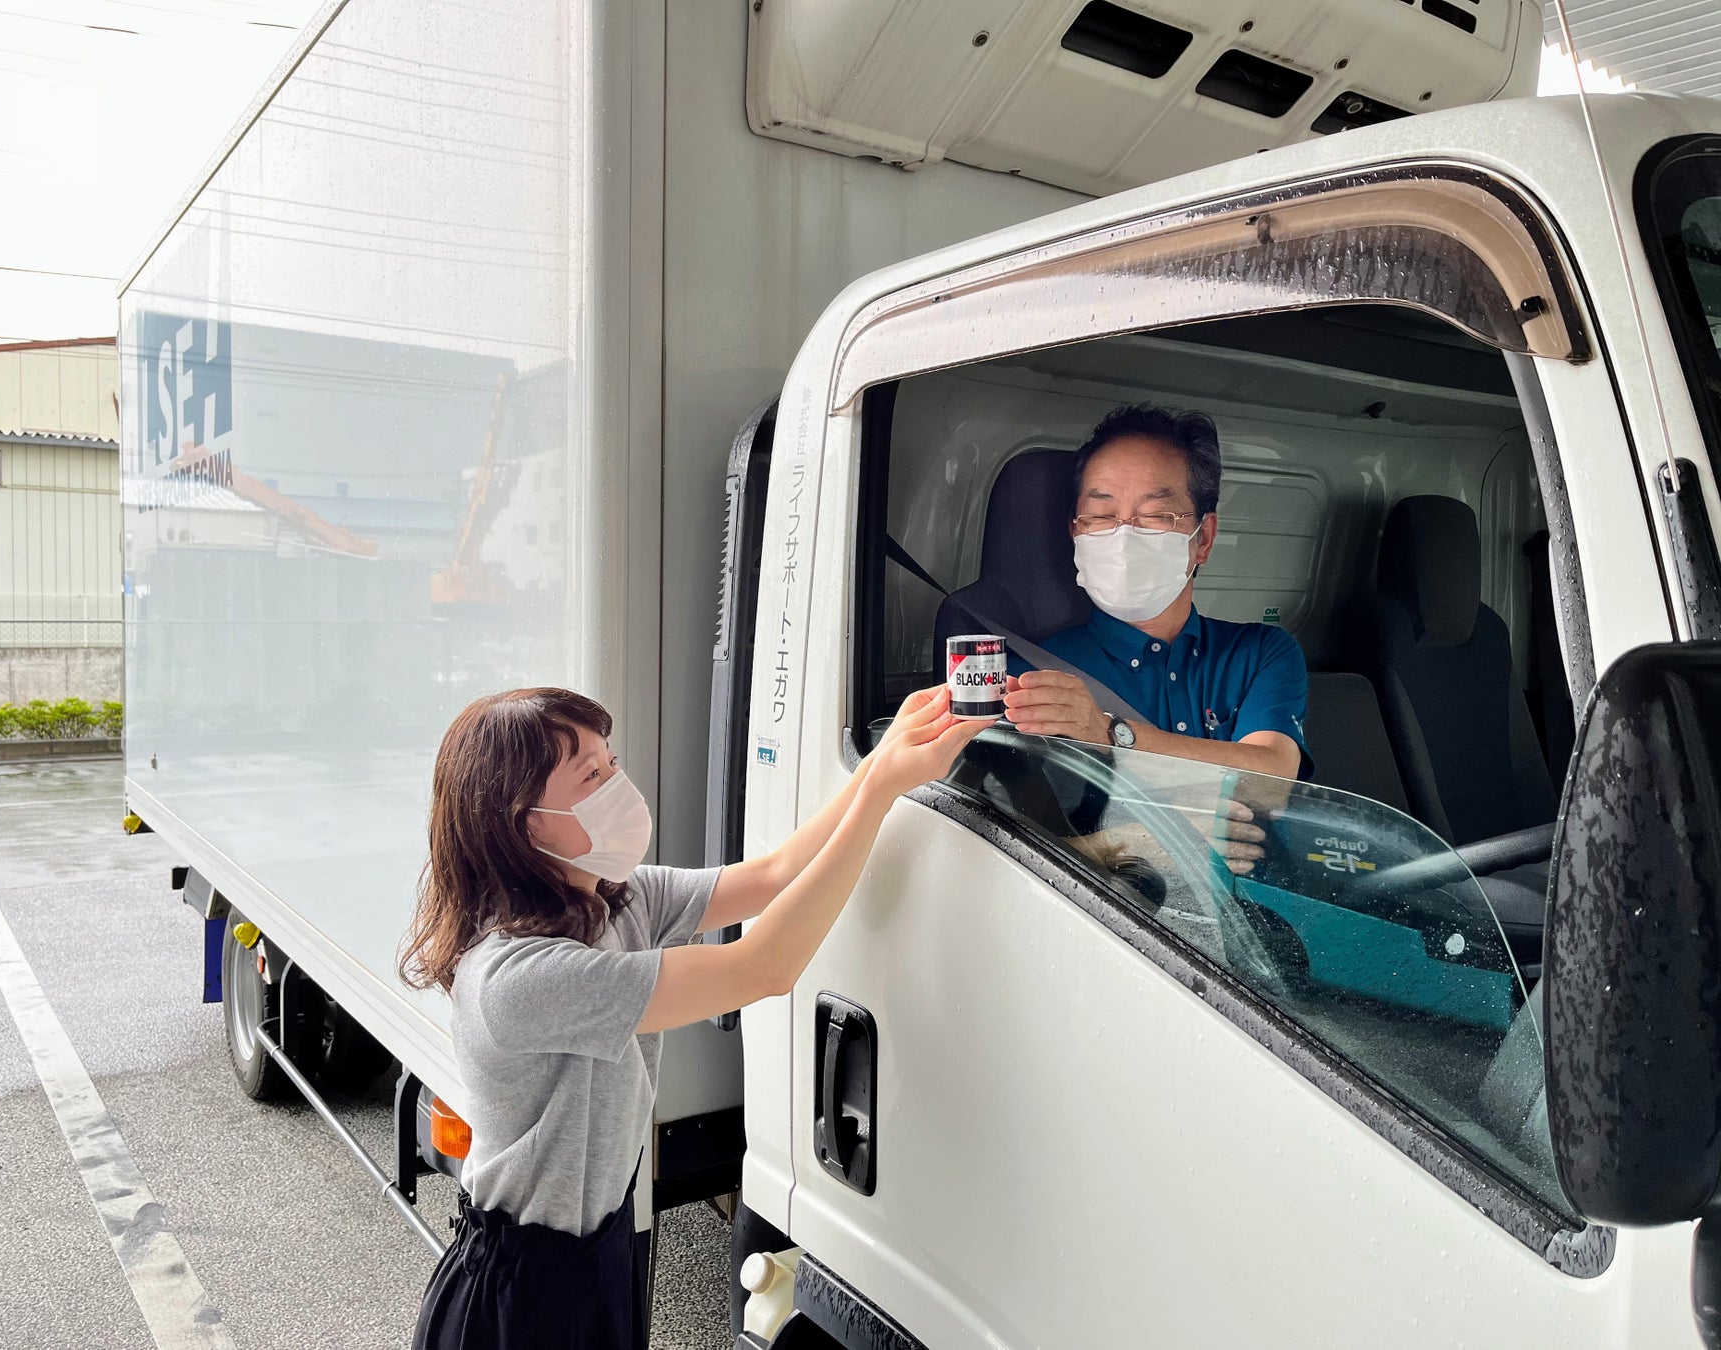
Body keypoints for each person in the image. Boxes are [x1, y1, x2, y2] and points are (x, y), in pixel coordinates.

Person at [399, 684, 984, 1350]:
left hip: (600, 1250)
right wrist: (881, 786)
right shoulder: (519, 977)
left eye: (611, 763)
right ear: (524, 822)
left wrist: (884, 761)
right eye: (591, 775)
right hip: (523, 1289)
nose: (618, 784)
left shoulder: (614, 902)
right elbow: (763, 968)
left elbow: (776, 874)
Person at [1005, 402, 1311, 784]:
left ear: (1204, 538)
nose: (1124, 535)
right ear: (1075, 533)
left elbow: (1271, 782)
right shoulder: (1030, 677)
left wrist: (1109, 734)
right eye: (1101, 516)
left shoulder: (1260, 652)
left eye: (1155, 516)